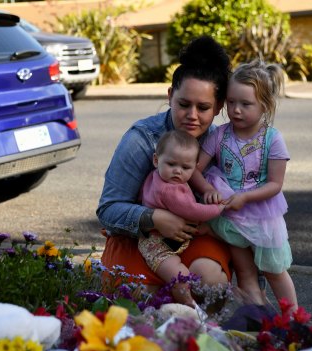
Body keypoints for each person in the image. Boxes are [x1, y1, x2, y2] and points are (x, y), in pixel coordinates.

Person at [96, 35, 232, 296]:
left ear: (218, 108)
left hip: (190, 239)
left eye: (203, 107)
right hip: (140, 240)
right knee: (136, 292)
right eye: (183, 104)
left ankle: (201, 330)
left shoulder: (220, 144)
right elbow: (108, 209)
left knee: (212, 283)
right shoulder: (142, 139)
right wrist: (153, 217)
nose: (192, 115)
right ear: (170, 96)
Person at [191, 59, 298, 310]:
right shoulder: (220, 135)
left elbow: (275, 184)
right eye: (231, 102)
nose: (236, 110)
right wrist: (208, 190)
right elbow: (196, 169)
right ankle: (257, 315)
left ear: (265, 105)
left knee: (274, 271)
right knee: (245, 272)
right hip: (231, 216)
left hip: (262, 217)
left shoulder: (273, 139)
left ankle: (293, 318)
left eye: (245, 104)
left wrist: (246, 198)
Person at [138, 130, 225, 307]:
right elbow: (192, 211)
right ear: (156, 160)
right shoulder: (169, 190)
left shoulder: (157, 176)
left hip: (167, 236)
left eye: (186, 168)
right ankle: (188, 305)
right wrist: (218, 208)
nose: (177, 171)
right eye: (171, 164)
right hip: (158, 246)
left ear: (194, 169)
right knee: (180, 277)